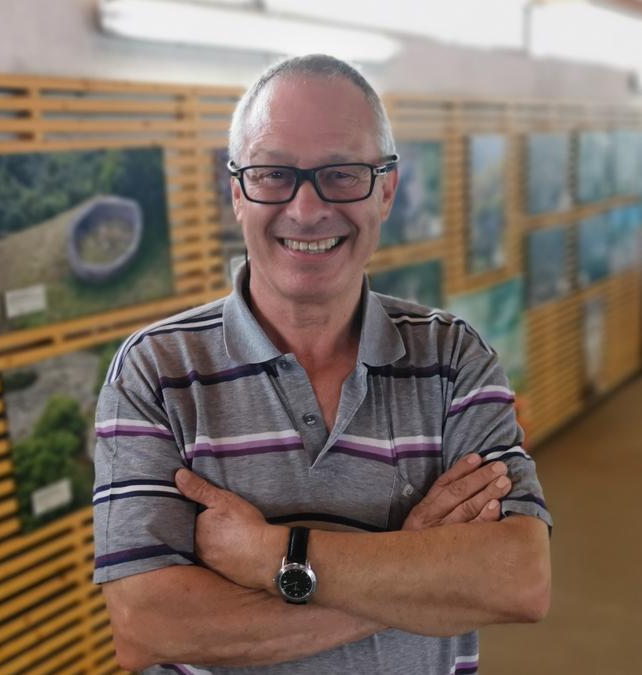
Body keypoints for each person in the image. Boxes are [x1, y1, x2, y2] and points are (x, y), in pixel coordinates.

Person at [92, 53, 551, 674]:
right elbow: (148, 628)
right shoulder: (155, 373)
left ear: (386, 190)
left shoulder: (455, 359)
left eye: (342, 174)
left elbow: (520, 579)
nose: (306, 210)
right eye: (274, 174)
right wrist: (414, 564)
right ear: (237, 193)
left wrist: (272, 558)